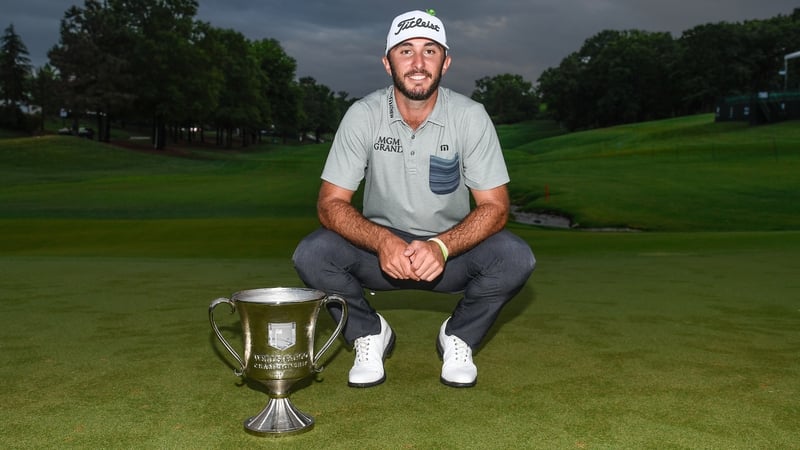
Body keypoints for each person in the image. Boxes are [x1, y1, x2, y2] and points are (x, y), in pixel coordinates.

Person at [292, 9, 535, 388]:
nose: (418, 63)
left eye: (430, 51)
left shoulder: (470, 116)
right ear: (388, 63)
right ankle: (367, 334)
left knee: (515, 256)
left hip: (450, 253)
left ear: (446, 61)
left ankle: (459, 337)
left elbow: (495, 206)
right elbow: (329, 202)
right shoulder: (363, 115)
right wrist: (382, 240)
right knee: (312, 253)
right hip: (379, 255)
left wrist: (440, 247)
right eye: (405, 51)